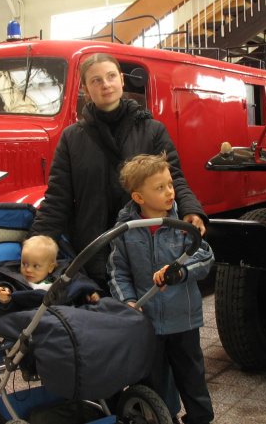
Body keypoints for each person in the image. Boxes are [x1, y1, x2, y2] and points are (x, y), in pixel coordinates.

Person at [28, 53, 207, 293]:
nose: (106, 84)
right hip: (93, 249)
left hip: (144, 247)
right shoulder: (72, 138)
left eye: (111, 76)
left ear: (122, 80)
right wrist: (39, 241)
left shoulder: (151, 130)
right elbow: (58, 197)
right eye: (96, 80)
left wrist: (191, 210)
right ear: (85, 88)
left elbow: (174, 179)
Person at [107, 152, 215, 424]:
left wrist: (180, 272)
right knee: (152, 380)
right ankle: (161, 417)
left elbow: (206, 259)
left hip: (183, 321)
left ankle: (200, 419)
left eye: (170, 184)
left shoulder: (183, 226)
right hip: (147, 322)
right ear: (138, 198)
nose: (170, 192)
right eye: (160, 187)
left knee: (192, 380)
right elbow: (118, 271)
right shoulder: (125, 229)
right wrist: (128, 303)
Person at [0, 235, 100, 311]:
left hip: (66, 312)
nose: (28, 270)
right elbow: (6, 287)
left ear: (50, 267)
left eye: (36, 266)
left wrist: (90, 294)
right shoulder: (15, 280)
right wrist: (3, 297)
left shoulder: (63, 276)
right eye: (24, 264)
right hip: (32, 318)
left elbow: (81, 284)